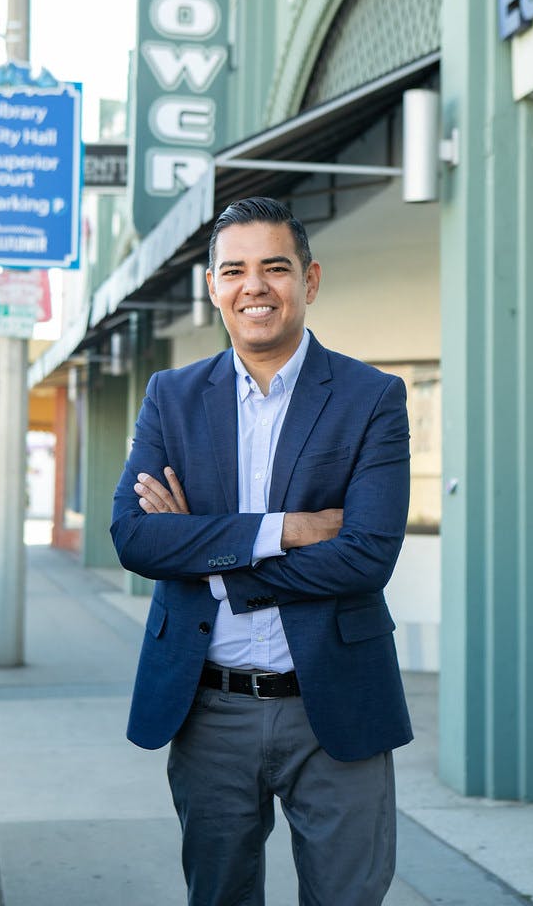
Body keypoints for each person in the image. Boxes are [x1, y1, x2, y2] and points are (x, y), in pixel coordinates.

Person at [111, 196, 412, 906]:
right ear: (212, 286)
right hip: (207, 707)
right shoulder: (171, 396)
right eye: (234, 270)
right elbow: (134, 536)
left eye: (274, 268)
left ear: (307, 281)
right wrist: (287, 527)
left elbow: (366, 555)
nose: (254, 287)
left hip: (333, 705)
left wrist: (207, 555)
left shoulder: (371, 397)